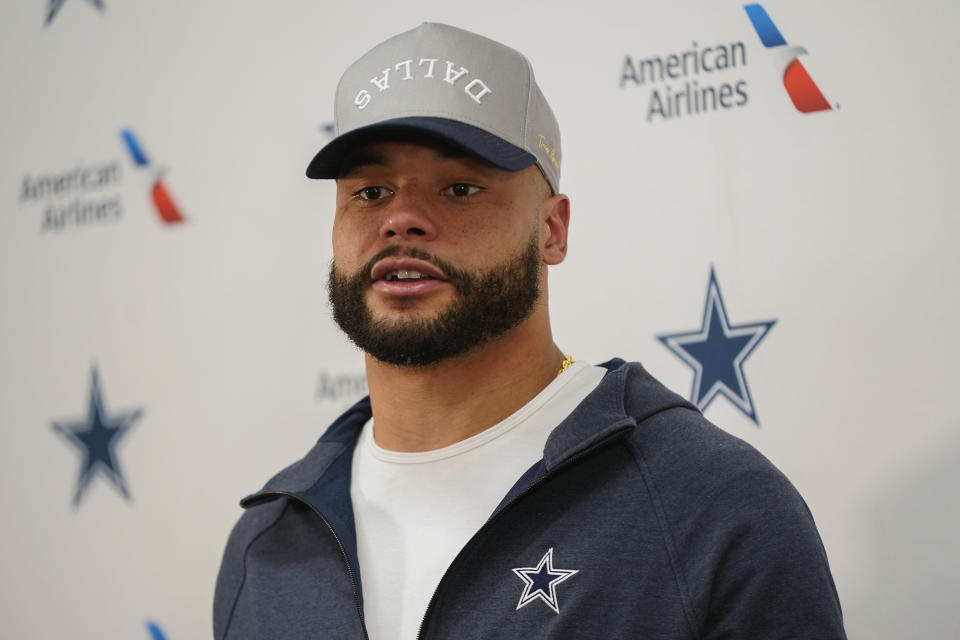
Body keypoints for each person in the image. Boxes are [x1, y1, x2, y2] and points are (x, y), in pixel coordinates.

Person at [214, 22, 846, 639]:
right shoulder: (268, 541)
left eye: (460, 188)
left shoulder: (711, 505)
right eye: (370, 191)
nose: (402, 218)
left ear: (552, 229)